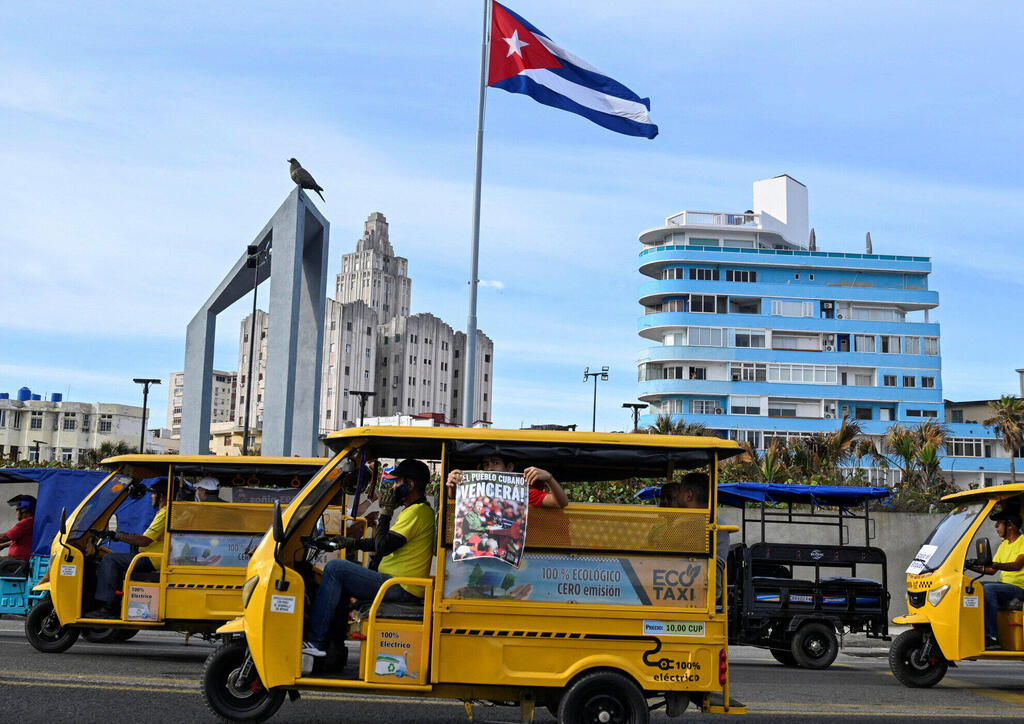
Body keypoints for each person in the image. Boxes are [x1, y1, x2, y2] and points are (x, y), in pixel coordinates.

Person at [302, 459, 435, 658]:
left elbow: (382, 545)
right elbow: (385, 542)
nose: (393, 487)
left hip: (399, 587)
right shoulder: (415, 511)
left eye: (397, 482)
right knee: (343, 575)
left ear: (411, 484)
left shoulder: (417, 512)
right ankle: (334, 646)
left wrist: (385, 513)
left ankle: (314, 640)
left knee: (335, 569)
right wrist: (350, 543)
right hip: (394, 583)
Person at [85, 480, 168, 619]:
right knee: (113, 558)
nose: (151, 497)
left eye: (154, 493)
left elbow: (144, 540)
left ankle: (108, 607)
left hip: (152, 559)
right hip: (149, 555)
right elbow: (146, 537)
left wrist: (117, 535)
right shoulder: (164, 512)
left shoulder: (165, 513)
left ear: (162, 495)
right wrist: (121, 535)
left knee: (110, 559)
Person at [661, 472, 728, 604]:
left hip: (682, 594)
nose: (677, 496)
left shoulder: (686, 524)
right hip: (700, 595)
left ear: (688, 495)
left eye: (679, 491)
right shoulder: (718, 523)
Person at [969, 506, 1024, 650]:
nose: (995, 526)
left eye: (999, 523)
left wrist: (997, 565)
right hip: (1005, 587)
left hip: (1019, 589)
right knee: (975, 586)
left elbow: (1017, 565)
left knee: (989, 589)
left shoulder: (1023, 541)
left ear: (1010, 525)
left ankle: (992, 637)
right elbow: (992, 570)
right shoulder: (1004, 545)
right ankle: (978, 631)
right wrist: (969, 566)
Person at [446, 454, 569, 508]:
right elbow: (454, 499)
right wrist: (452, 484)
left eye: (495, 462)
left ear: (509, 467)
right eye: (486, 464)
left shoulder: (519, 489)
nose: (490, 468)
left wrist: (549, 478)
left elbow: (560, 503)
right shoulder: (476, 486)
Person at [0, 495, 36, 576]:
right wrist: (3, 545)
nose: (16, 512)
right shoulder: (32, 521)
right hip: (19, 561)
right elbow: (22, 539)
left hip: (18, 562)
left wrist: (3, 542)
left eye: (17, 510)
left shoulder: (26, 522)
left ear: (24, 510)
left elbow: (5, 537)